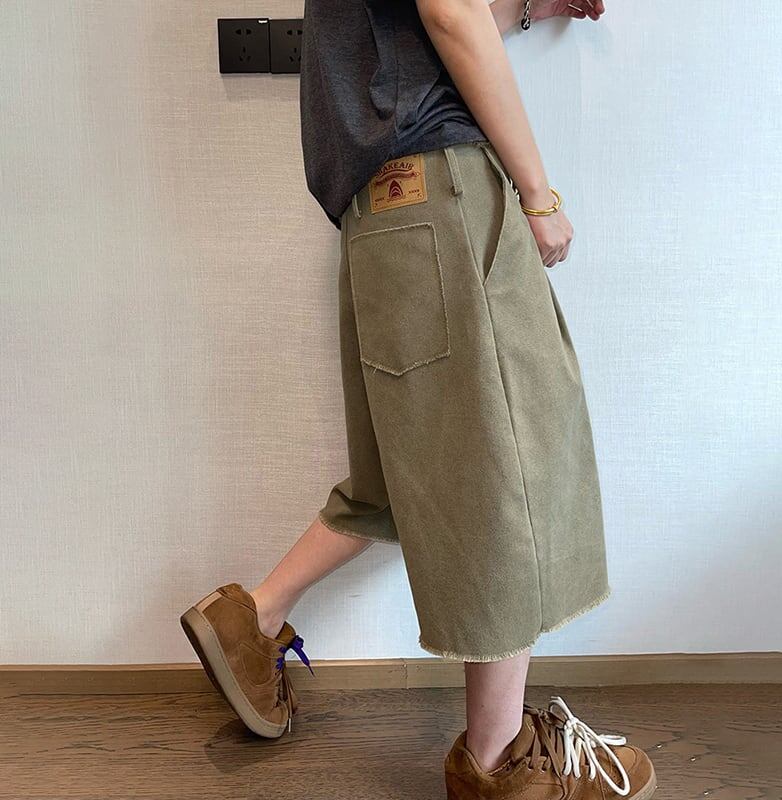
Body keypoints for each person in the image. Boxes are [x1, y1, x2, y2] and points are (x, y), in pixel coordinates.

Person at [181, 1, 658, 798]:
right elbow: (450, 11)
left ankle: (252, 619)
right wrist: (538, 193)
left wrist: (525, 7)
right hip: (445, 195)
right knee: (508, 466)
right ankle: (499, 760)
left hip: (382, 216)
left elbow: (411, 36)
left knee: (398, 479)